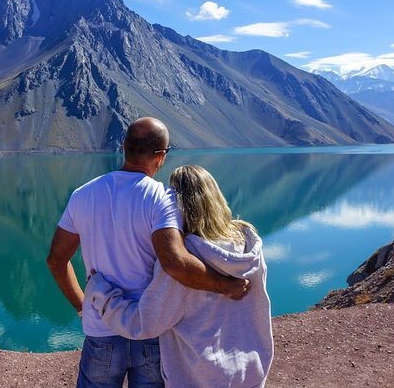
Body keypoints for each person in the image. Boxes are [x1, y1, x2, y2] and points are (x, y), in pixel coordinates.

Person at [46, 118, 250, 387]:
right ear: (161, 156)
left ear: (124, 147)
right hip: (151, 331)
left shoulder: (83, 195)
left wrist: (82, 306)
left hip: (101, 327)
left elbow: (56, 260)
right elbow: (175, 263)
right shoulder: (162, 199)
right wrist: (226, 285)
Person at [85, 165, 274, 387]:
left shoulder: (183, 264)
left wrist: (100, 293)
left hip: (202, 378)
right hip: (251, 370)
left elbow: (143, 325)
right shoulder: (249, 247)